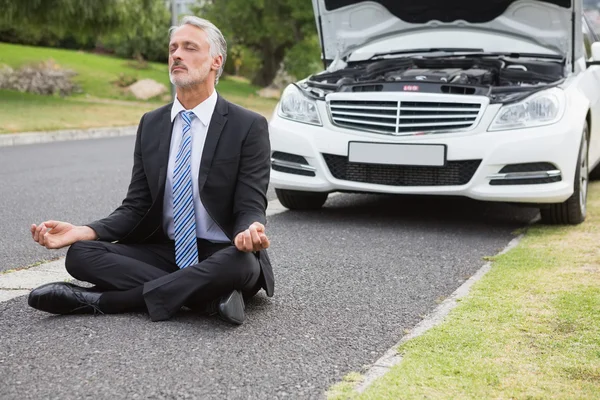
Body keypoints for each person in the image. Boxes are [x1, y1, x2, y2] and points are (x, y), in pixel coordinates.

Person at [27, 16, 274, 325]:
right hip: (165, 251)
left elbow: (250, 203)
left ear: (215, 61)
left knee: (242, 266)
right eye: (173, 48)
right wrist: (83, 231)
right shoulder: (152, 123)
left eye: (189, 47)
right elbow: (137, 205)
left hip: (222, 252)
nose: (177, 55)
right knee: (81, 254)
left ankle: (106, 301)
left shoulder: (248, 125)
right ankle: (207, 296)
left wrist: (248, 232)